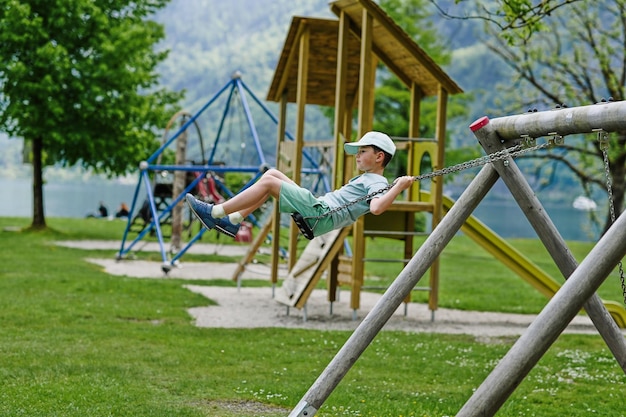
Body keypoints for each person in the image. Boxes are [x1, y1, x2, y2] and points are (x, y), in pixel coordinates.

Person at [186, 131, 415, 238]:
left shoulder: (377, 182)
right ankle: (234, 221)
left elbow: (376, 208)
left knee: (268, 182)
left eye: (362, 152)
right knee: (273, 173)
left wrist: (399, 187)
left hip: (321, 213)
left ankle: (215, 212)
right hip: (320, 208)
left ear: (379, 157)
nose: (356, 156)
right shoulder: (370, 179)